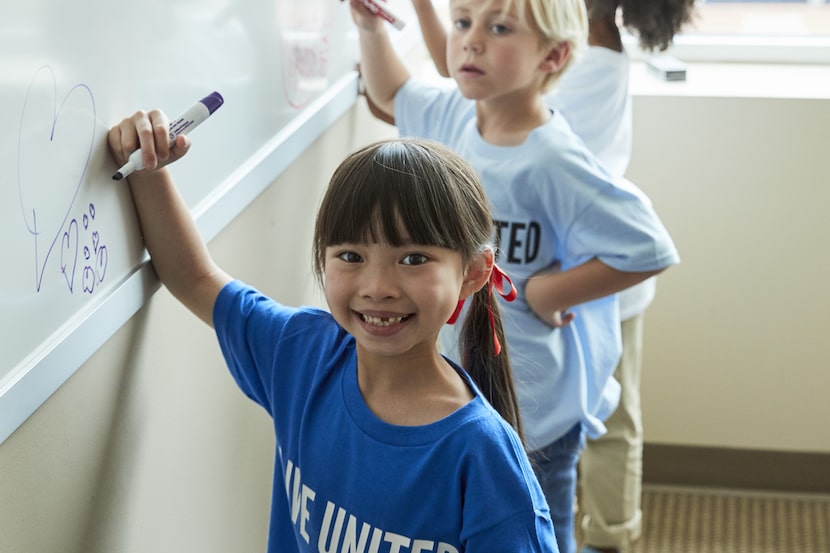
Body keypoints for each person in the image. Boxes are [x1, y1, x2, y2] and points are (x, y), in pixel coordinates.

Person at [106, 116, 561, 552]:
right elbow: (195, 278)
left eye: (414, 259)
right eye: (350, 255)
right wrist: (147, 165)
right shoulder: (303, 354)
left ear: (474, 272)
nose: (377, 288)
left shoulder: (483, 458)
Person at [348, 1, 680, 552]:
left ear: (553, 55)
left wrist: (545, 291)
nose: (470, 41)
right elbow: (392, 94)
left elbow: (647, 246)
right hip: (468, 383)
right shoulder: (455, 115)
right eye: (463, 23)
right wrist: (367, 28)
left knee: (538, 529)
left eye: (498, 28)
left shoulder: (552, 157)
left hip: (537, 407)